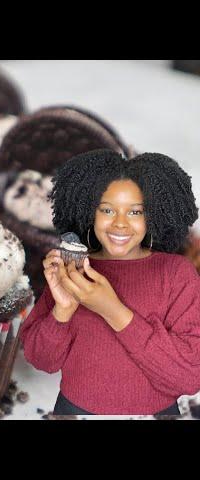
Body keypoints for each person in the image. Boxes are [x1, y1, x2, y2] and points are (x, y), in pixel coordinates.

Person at [20, 149, 200, 415]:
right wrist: (62, 311)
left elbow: (188, 377)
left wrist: (112, 310)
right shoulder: (74, 270)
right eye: (107, 209)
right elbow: (40, 360)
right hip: (73, 410)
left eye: (135, 212)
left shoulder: (176, 274)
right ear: (89, 210)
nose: (120, 224)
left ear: (153, 214)